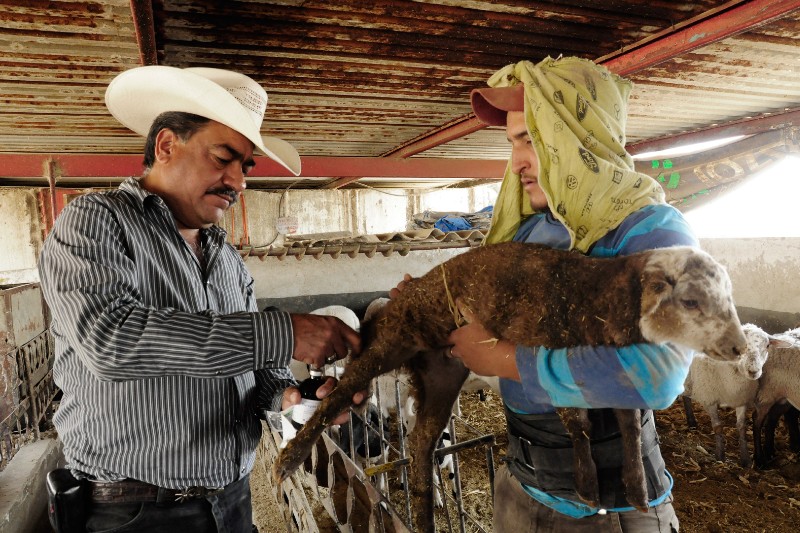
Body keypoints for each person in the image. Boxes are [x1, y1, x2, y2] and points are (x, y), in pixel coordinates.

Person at [38, 66, 364, 533]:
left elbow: (258, 375)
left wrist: (291, 397)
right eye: (223, 158)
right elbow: (111, 340)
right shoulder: (96, 222)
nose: (238, 182)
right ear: (167, 145)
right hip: (136, 511)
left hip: (231, 502)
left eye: (245, 167)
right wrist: (284, 331)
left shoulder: (228, 261)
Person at [448, 56, 697, 532]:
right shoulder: (528, 233)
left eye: (530, 140)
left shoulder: (649, 232)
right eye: (512, 143)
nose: (516, 161)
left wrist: (503, 360)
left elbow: (658, 374)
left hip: (611, 511)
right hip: (522, 488)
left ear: (579, 139)